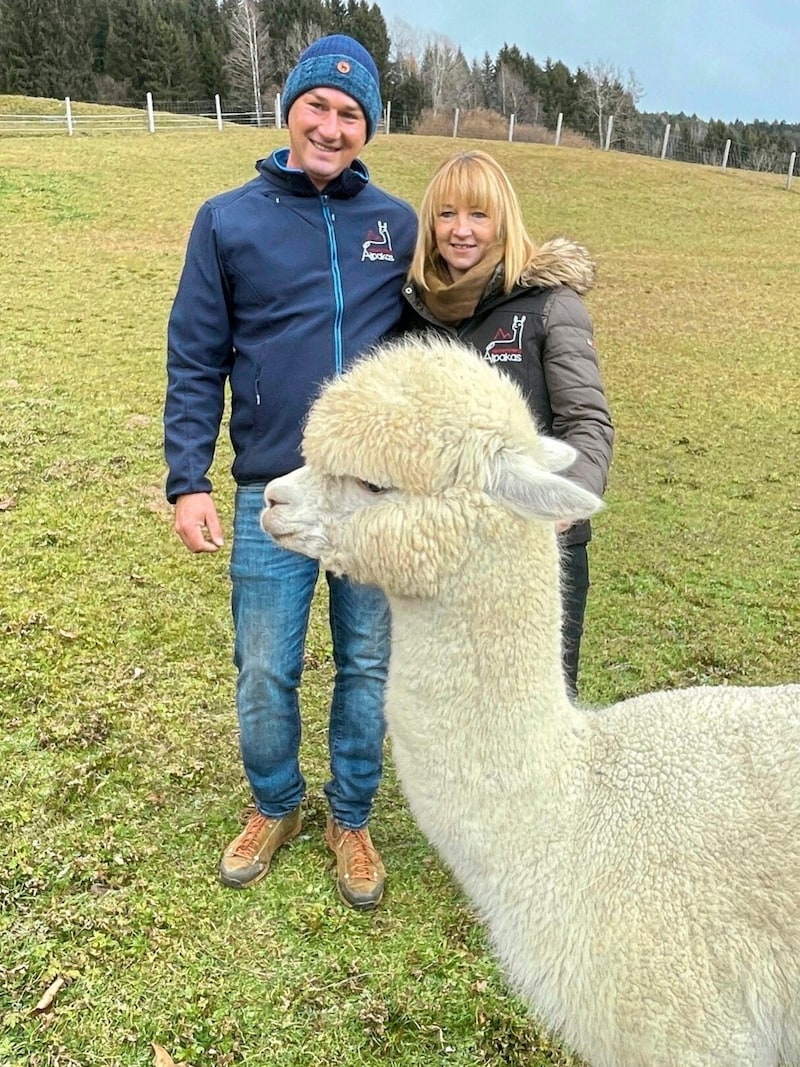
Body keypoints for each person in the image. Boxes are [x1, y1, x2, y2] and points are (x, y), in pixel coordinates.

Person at [164, 35, 417, 910]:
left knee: (367, 661)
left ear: (368, 128)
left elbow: (455, 315)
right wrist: (186, 476)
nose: (332, 126)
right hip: (271, 487)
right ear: (289, 108)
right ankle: (275, 802)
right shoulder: (226, 219)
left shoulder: (398, 224)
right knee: (266, 663)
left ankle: (351, 814)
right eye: (320, 105)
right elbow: (195, 355)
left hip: (374, 497)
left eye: (351, 114)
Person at [402, 150, 613, 698]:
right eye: (446, 215)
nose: (461, 231)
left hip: (534, 549)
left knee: (532, 704)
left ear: (503, 221)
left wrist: (559, 506)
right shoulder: (414, 309)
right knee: (457, 705)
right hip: (448, 552)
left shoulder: (549, 305)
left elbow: (587, 422)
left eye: (478, 215)